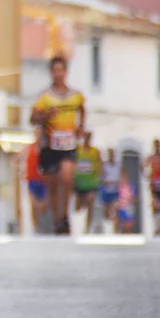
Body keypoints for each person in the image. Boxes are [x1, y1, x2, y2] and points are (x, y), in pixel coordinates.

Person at [30, 57, 85, 235]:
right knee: (52, 184)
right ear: (51, 72)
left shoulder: (76, 95)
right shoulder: (45, 96)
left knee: (67, 177)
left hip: (68, 143)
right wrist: (46, 116)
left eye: (61, 70)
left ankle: (65, 214)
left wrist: (81, 127)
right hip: (50, 144)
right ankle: (57, 219)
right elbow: (32, 118)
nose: (58, 74)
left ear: (66, 72)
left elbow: (82, 109)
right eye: (55, 70)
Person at [73, 132, 101, 234]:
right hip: (79, 182)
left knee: (90, 203)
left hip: (91, 182)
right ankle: (77, 224)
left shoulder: (95, 151)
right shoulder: (78, 150)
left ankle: (87, 229)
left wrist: (98, 174)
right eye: (85, 137)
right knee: (78, 207)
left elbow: (99, 163)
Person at [24, 128, 50, 233]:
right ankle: (35, 228)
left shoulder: (47, 148)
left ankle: (43, 226)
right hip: (32, 179)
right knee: (33, 204)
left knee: (43, 206)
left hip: (44, 180)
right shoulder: (29, 148)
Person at [99, 148, 121, 233]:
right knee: (106, 213)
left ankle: (115, 230)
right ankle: (108, 225)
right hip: (106, 190)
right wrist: (105, 181)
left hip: (115, 190)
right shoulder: (104, 165)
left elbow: (122, 177)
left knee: (115, 209)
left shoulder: (118, 165)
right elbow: (101, 177)